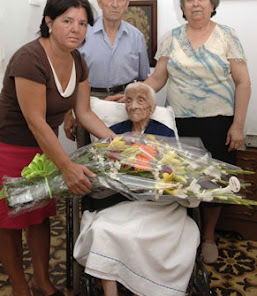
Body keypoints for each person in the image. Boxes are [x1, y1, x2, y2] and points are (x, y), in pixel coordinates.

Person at [0, 0, 114, 296]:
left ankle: (42, 281)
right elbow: (36, 122)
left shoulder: (78, 61)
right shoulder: (29, 59)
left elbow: (84, 112)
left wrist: (117, 141)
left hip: (43, 148)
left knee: (40, 215)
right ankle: (20, 287)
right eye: (67, 20)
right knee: (11, 221)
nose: (76, 29)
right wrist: (68, 167)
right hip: (7, 147)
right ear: (49, 22)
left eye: (83, 23)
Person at [139, 0, 250, 264]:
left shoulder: (227, 35)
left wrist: (238, 125)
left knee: (214, 181)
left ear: (212, 3)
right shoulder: (171, 37)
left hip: (219, 122)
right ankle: (184, 234)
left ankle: (208, 236)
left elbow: (243, 83)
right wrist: (135, 92)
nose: (196, 3)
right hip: (180, 123)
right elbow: (158, 78)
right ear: (183, 6)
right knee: (181, 181)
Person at [73, 82, 199, 296]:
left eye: (141, 100)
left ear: (152, 107)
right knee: (102, 229)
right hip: (121, 203)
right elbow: (101, 167)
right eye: (129, 100)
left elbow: (178, 172)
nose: (133, 106)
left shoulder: (165, 133)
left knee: (169, 235)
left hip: (161, 208)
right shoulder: (115, 133)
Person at [64, 0, 150, 146]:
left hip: (125, 103)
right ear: (100, 1)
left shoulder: (137, 37)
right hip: (87, 102)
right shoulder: (82, 34)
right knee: (89, 159)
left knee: (124, 155)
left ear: (127, 3)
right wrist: (68, 114)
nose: (115, 4)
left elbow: (143, 80)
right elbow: (68, 78)